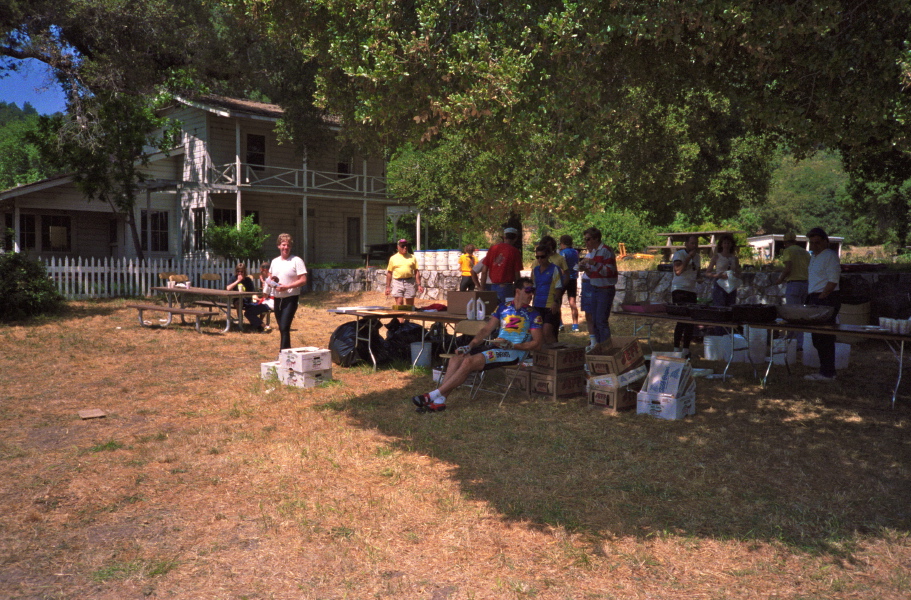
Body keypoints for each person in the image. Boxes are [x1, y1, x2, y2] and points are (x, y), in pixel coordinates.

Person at [411, 278, 543, 413]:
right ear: (517, 291)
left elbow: (537, 344)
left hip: (514, 352)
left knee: (469, 362)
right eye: (528, 291)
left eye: (532, 291)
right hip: (497, 347)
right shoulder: (503, 307)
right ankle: (440, 401)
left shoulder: (534, 314)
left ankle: (432, 395)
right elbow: (486, 330)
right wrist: (469, 346)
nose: (531, 294)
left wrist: (513, 345)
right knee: (456, 358)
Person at [804, 227, 841, 382]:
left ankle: (828, 373)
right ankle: (825, 370)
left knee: (824, 336)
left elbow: (833, 281)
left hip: (826, 298)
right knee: (817, 338)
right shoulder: (814, 257)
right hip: (815, 297)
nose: (814, 245)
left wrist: (822, 297)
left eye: (818, 242)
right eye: (812, 243)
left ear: (826, 241)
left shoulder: (830, 256)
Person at [577, 227, 617, 346]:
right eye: (585, 239)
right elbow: (595, 273)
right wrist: (585, 270)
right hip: (595, 287)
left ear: (596, 238)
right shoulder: (593, 252)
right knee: (594, 320)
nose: (586, 242)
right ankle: (599, 347)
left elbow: (610, 272)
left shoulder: (606, 251)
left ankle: (606, 348)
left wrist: (594, 263)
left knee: (601, 321)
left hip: (605, 289)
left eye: (588, 239)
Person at [270, 233, 309, 350]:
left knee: (285, 327)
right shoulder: (274, 261)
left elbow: (303, 280)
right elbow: (271, 277)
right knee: (281, 327)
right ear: (278, 246)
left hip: (291, 298)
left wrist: (287, 287)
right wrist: (273, 284)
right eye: (283, 245)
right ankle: (287, 353)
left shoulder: (296, 261)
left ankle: (283, 354)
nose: (285, 247)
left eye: (288, 245)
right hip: (277, 298)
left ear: (291, 247)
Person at [779, 231, 811, 349]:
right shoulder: (805, 252)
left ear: (785, 242)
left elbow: (788, 268)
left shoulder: (788, 251)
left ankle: (799, 343)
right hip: (806, 284)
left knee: (793, 314)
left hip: (794, 284)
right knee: (802, 314)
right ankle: (791, 339)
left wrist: (780, 279)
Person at [671, 234, 701, 355]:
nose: (694, 246)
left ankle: (686, 350)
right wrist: (688, 257)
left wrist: (699, 278)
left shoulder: (698, 257)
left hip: (691, 290)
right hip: (679, 289)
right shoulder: (679, 255)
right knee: (681, 320)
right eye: (692, 243)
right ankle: (676, 349)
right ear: (686, 244)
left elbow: (697, 272)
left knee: (690, 321)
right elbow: (678, 271)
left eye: (696, 243)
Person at [480, 227, 523, 304]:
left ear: (504, 237)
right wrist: (518, 289)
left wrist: (482, 288)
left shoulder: (493, 249)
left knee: (494, 311)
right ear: (516, 238)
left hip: (492, 287)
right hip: (507, 287)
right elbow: (517, 273)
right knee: (506, 312)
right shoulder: (515, 251)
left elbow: (484, 271)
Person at [531, 244, 564, 344]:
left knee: (547, 332)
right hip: (537, 305)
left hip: (550, 305)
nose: (540, 259)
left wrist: (556, 302)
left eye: (542, 257)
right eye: (537, 257)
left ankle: (556, 354)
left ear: (548, 256)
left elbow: (559, 287)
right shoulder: (535, 270)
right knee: (538, 334)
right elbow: (534, 287)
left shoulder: (555, 269)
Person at [226, 262, 271, 332]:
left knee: (262, 305)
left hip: (248, 300)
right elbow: (228, 288)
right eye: (238, 271)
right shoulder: (233, 278)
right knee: (239, 303)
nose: (240, 273)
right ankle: (240, 322)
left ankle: (258, 323)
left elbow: (253, 292)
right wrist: (238, 281)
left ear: (244, 272)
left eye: (241, 272)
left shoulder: (248, 280)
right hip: (237, 300)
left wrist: (257, 299)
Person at [706, 234, 741, 308]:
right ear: (721, 244)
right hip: (720, 283)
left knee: (731, 306)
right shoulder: (716, 257)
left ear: (731, 244)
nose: (726, 245)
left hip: (731, 284)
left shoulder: (734, 258)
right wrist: (716, 275)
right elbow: (707, 273)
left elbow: (738, 272)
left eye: (728, 243)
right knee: (719, 306)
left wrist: (736, 275)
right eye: (725, 243)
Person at [385, 239, 424, 305]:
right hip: (397, 282)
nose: (405, 247)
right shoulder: (393, 258)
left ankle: (409, 315)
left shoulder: (412, 257)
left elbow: (416, 271)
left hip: (409, 282)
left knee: (410, 305)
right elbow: (389, 273)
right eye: (403, 246)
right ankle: (400, 315)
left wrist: (419, 285)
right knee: (399, 303)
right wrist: (388, 287)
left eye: (406, 245)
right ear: (398, 247)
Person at [558, 235, 580, 332]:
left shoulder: (562, 253)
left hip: (564, 279)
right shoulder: (575, 252)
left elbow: (562, 266)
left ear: (562, 243)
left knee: (557, 301)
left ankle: (560, 324)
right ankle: (575, 325)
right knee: (572, 302)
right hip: (573, 278)